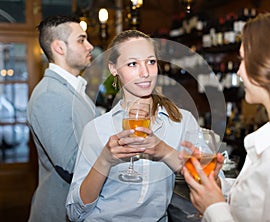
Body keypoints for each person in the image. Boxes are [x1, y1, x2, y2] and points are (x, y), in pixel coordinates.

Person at [66, 29, 224, 221]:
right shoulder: (97, 128)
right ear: (114, 68)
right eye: (133, 64)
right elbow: (75, 212)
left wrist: (164, 151)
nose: (145, 73)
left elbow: (214, 186)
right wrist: (105, 160)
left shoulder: (181, 121)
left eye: (151, 62)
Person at [181, 9, 270, 221]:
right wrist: (218, 188)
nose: (238, 72)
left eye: (244, 60)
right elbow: (255, 203)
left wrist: (213, 207)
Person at [27, 15, 99, 222]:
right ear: (59, 47)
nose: (90, 46)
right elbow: (73, 164)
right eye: (81, 40)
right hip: (60, 212)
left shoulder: (75, 90)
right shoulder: (50, 95)